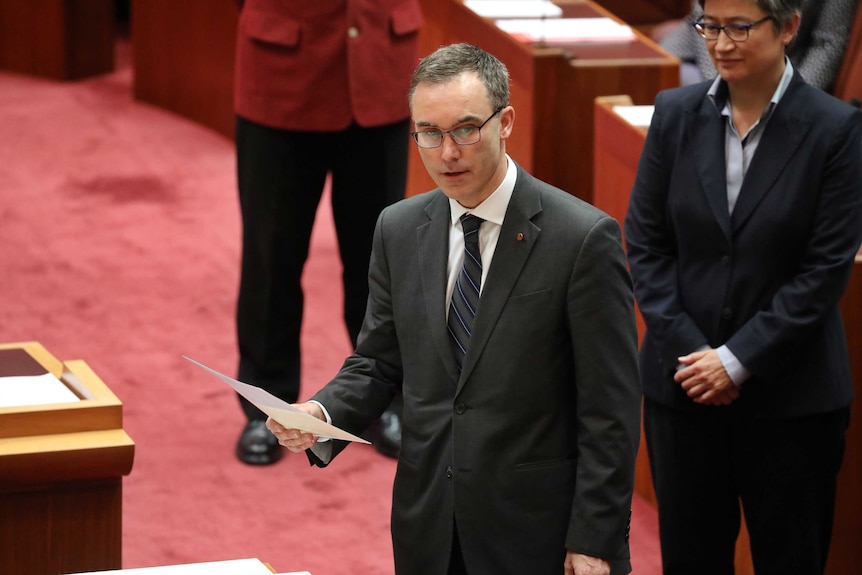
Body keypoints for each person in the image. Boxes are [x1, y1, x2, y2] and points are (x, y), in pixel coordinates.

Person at [266, 43, 642, 575]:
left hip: (537, 532)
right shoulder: (397, 229)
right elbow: (379, 361)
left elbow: (611, 410)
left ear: (505, 121)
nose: (447, 153)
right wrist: (322, 413)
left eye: (466, 129)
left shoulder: (581, 239)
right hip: (430, 525)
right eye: (429, 133)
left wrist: (595, 539)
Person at [624, 1, 862, 574]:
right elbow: (647, 246)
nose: (720, 43)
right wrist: (695, 353)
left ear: (787, 28)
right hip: (683, 390)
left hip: (791, 397)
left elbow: (824, 270)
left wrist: (737, 360)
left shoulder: (835, 128)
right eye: (710, 26)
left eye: (740, 27)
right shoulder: (674, 114)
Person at [231, 0, 423, 464]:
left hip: (380, 69)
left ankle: (385, 398)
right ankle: (266, 406)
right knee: (271, 256)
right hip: (283, 72)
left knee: (382, 263)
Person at [657, 0, 859, 92]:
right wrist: (721, 81)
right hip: (700, 41)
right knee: (659, 76)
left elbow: (827, 42)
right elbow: (703, 13)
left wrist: (795, 95)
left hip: (785, 59)